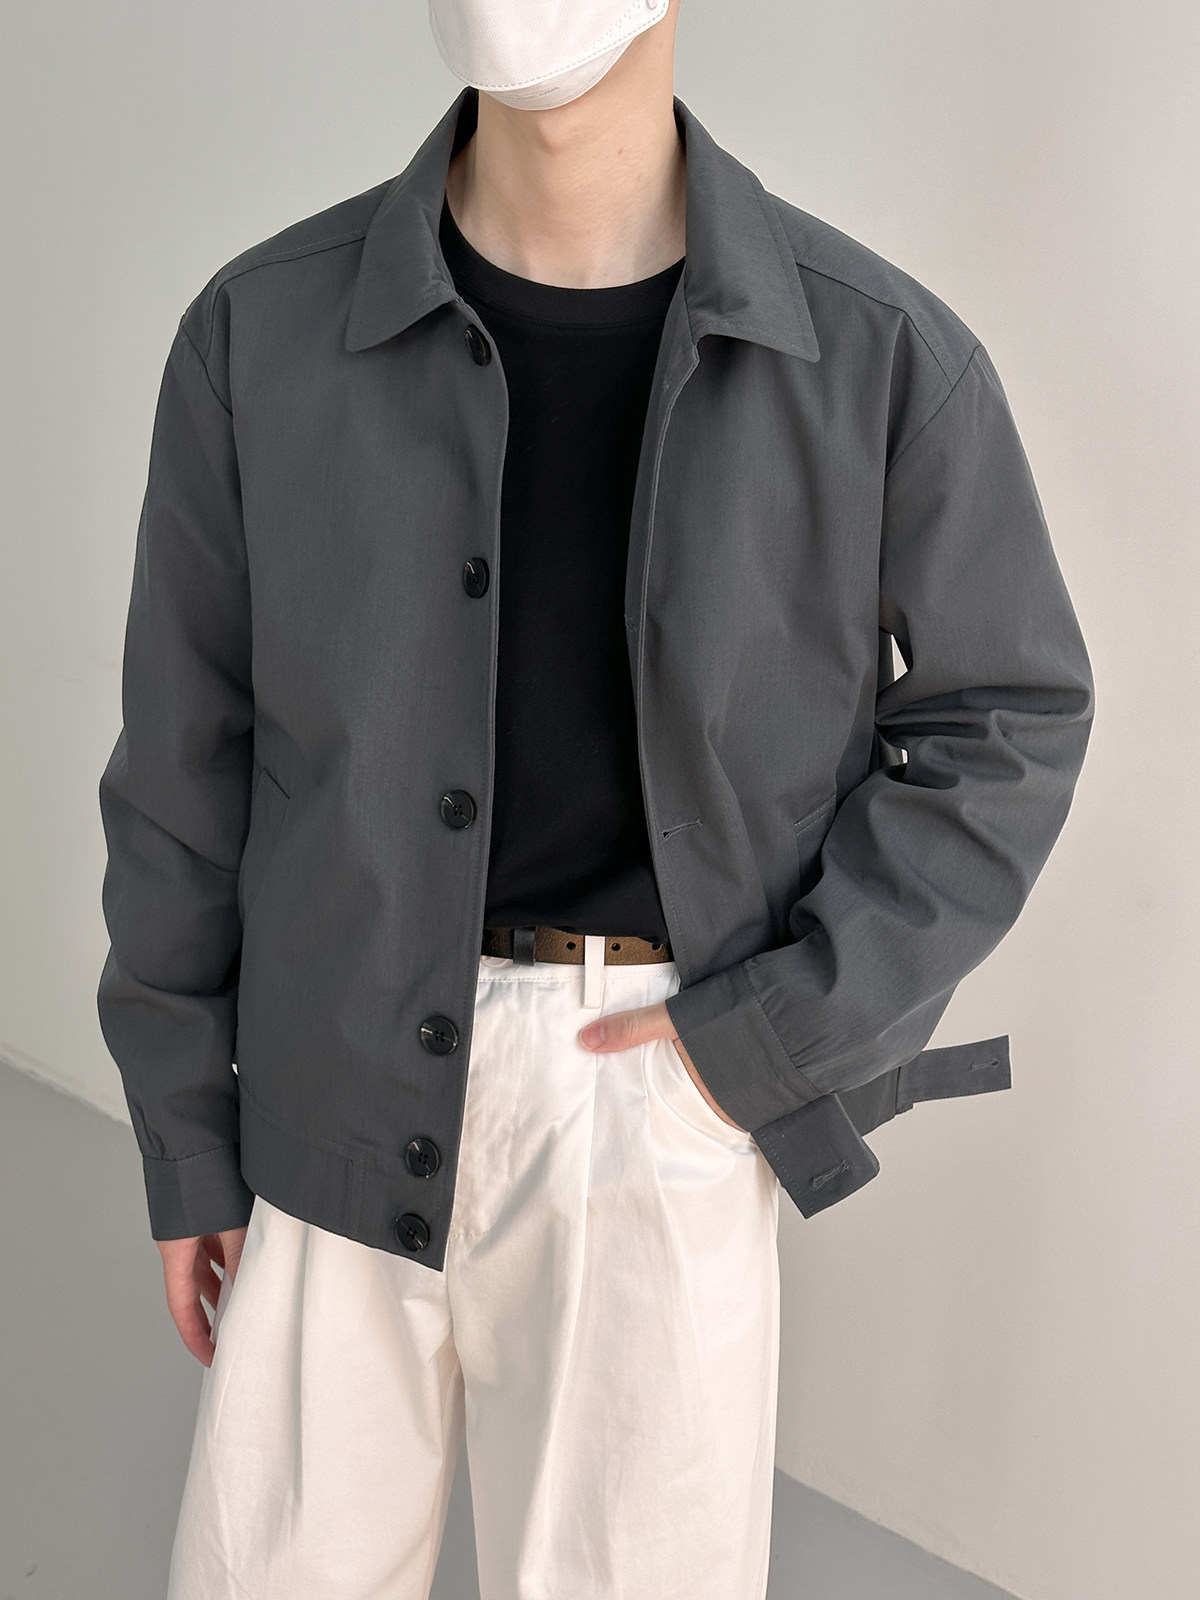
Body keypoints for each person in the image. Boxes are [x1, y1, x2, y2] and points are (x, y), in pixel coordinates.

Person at [95, 1, 1094, 1596]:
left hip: (654, 1100)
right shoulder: (258, 333)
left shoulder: (878, 355)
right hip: (325, 1076)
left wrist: (768, 1044)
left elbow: (1012, 713)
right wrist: (187, 1136)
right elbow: (180, 761)